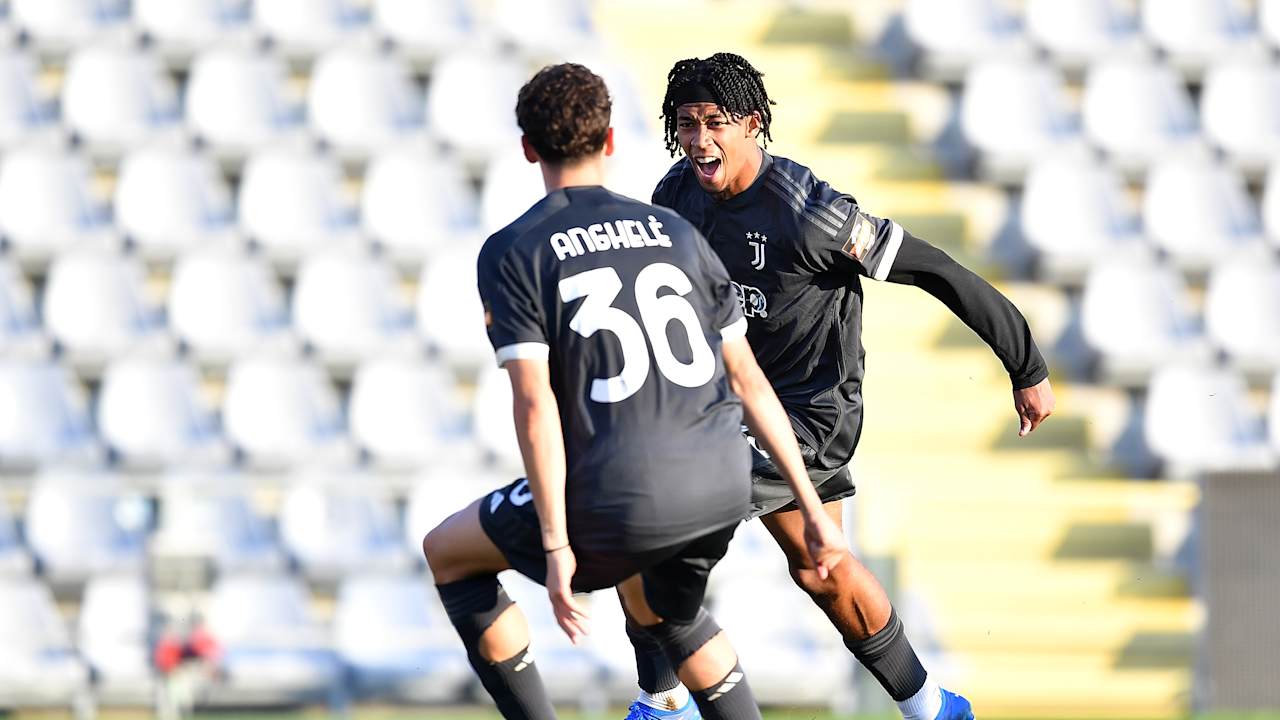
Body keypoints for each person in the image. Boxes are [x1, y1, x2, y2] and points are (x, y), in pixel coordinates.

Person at [620, 53, 1058, 720]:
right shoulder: (675, 196)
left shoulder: (810, 212)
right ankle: (935, 709)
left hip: (810, 415)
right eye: (686, 124)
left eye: (715, 122)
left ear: (753, 124)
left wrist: (1024, 364)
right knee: (821, 570)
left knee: (647, 517)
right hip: (731, 406)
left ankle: (661, 703)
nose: (699, 139)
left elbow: (933, 269)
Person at [422, 62, 849, 720]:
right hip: (721, 483)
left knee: (448, 553)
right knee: (667, 610)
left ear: (528, 148)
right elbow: (749, 381)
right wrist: (814, 510)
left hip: (622, 490)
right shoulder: (678, 232)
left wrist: (557, 546)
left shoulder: (515, 250)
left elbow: (535, 407)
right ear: (611, 141)